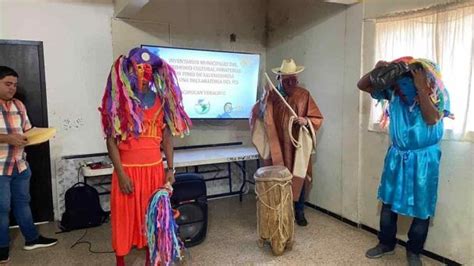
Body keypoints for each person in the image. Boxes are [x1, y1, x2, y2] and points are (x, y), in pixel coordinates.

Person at [99, 48, 191, 266]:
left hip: (154, 172)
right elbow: (110, 140)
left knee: (153, 217)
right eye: (139, 67)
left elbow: (167, 138)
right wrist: (120, 174)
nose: (144, 72)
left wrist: (170, 169)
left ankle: (152, 258)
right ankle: (120, 260)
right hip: (127, 171)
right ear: (129, 69)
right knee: (124, 218)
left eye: (148, 68)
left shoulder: (161, 100)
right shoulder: (119, 100)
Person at [357, 57, 452, 266]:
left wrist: (421, 88)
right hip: (397, 156)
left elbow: (431, 118)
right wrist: (376, 70)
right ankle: (386, 243)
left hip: (424, 160)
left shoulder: (437, 95)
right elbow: (362, 85)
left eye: (411, 77)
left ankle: (414, 251)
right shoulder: (395, 91)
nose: (405, 83)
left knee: (422, 206)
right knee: (388, 202)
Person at [250, 59, 323, 226]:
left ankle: (299, 211)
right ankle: (280, 210)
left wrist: (306, 121)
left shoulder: (304, 95)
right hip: (278, 146)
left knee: (299, 175)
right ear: (279, 79)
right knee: (278, 176)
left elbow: (317, 117)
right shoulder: (272, 96)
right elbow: (257, 114)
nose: (291, 83)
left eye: (294, 80)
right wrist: (263, 104)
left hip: (296, 145)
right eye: (287, 80)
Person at [0, 66, 57, 264]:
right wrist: (7, 138)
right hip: (0, 168)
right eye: (8, 84)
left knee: (23, 203)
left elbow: (28, 130)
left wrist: (41, 136)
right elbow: (10, 136)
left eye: (14, 85)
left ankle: (32, 239)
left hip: (20, 165)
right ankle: (2, 248)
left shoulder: (19, 105)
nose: (12, 88)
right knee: (2, 208)